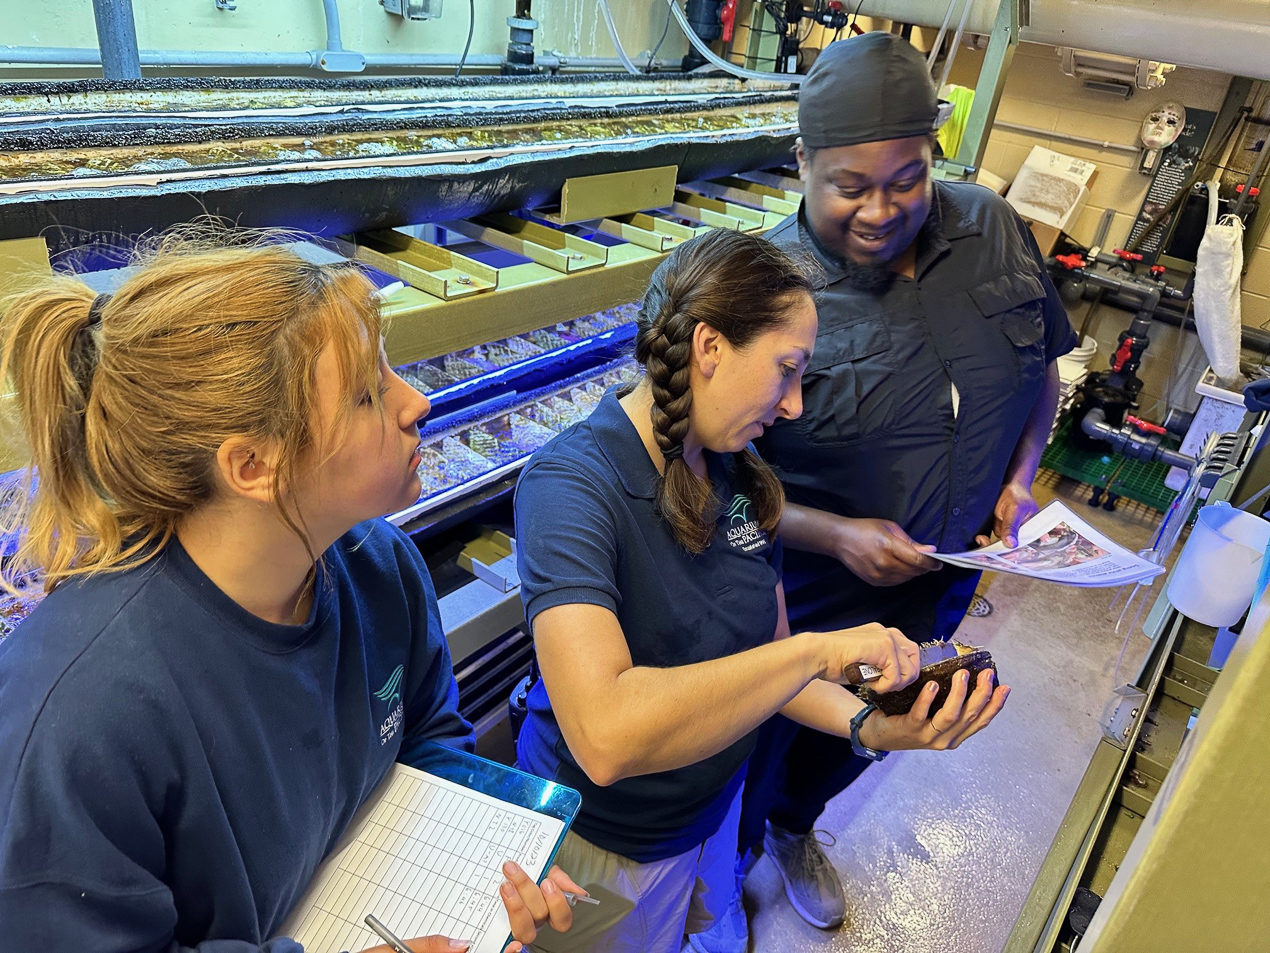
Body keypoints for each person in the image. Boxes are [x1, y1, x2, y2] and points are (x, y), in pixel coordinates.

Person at [0, 236, 583, 953]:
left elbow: (428, 736)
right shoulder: (75, 724)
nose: (418, 401)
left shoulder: (383, 570)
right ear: (252, 464)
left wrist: (485, 866)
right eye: (369, 393)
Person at [511, 228, 1009, 953]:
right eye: (787, 369)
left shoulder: (737, 474)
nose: (795, 405)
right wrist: (819, 650)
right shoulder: (571, 486)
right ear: (710, 348)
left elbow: (769, 661)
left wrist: (867, 727)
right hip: (602, 849)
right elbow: (606, 735)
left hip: (710, 813)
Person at [691, 33, 1080, 952]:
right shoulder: (763, 287)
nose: (881, 209)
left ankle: (794, 830)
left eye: (904, 179)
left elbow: (1042, 372)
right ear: (802, 165)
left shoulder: (990, 227)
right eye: (850, 185)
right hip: (807, 585)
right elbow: (706, 480)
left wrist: (1019, 482)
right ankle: (726, 867)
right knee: (760, 736)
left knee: (871, 724)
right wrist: (834, 534)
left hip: (944, 572)